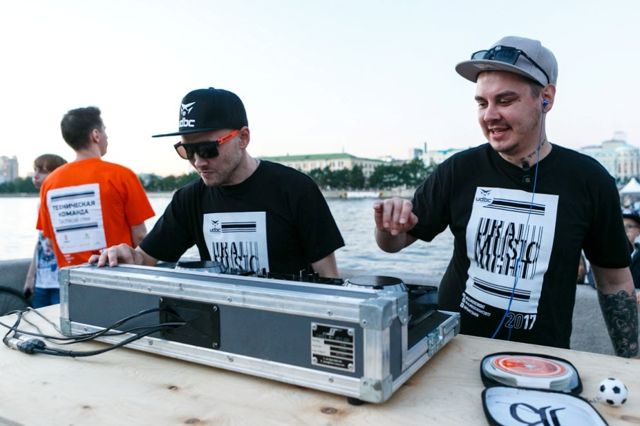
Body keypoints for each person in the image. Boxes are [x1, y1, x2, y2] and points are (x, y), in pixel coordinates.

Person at [374, 36, 638, 357]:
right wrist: (387, 226)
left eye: (505, 100)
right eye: (482, 103)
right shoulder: (459, 169)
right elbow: (393, 244)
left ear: (546, 98)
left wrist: (631, 365)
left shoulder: (589, 180)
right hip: (452, 350)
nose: (489, 115)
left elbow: (614, 282)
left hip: (542, 362)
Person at [92, 87, 344, 277]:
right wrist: (124, 254)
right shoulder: (189, 199)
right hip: (219, 323)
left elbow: (328, 277)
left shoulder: (295, 188)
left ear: (243, 138)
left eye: (208, 149)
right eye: (188, 150)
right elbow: (145, 259)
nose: (198, 162)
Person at [38, 107, 154, 268]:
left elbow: (51, 239)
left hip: (70, 276)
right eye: (104, 130)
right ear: (96, 135)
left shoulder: (50, 183)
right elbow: (140, 235)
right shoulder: (121, 175)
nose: (107, 136)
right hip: (116, 272)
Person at [23, 154, 67, 307]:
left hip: (61, 282)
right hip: (42, 282)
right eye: (35, 170)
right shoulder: (40, 203)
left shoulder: (63, 203)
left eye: (42, 171)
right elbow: (41, 243)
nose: (35, 175)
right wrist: (30, 277)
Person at [622, 213, 640, 301]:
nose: (624, 230)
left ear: (639, 230)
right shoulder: (605, 253)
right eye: (620, 226)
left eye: (629, 226)